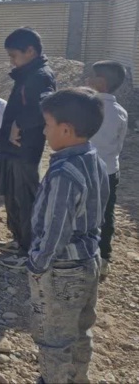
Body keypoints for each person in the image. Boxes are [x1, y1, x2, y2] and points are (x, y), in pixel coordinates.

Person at [28, 87, 108, 384]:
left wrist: (38, 263)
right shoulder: (94, 159)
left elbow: (56, 229)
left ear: (65, 129)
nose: (45, 131)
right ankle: (78, 377)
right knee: (80, 328)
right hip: (90, 260)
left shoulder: (63, 172)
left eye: (47, 124)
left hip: (62, 269)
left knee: (54, 336)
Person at [0, 28, 57, 270]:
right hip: (13, 149)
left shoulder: (40, 75)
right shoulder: (26, 73)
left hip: (25, 149)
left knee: (25, 200)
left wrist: (20, 124)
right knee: (13, 198)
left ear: (30, 51)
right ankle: (18, 240)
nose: (11, 61)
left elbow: (46, 106)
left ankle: (29, 249)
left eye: (13, 55)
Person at [87, 60, 128, 282]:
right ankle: (103, 259)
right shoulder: (121, 112)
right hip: (111, 170)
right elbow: (119, 143)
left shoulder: (88, 108)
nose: (87, 80)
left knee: (81, 211)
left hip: (87, 170)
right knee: (106, 214)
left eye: (91, 76)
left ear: (100, 82)